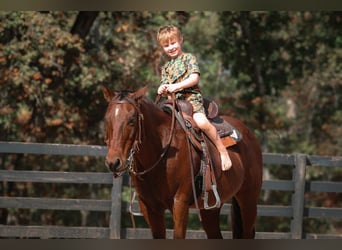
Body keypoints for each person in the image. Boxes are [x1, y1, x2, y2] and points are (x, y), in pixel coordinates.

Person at [156, 25, 232, 171]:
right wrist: (162, 88)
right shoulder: (166, 67)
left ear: (181, 40)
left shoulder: (188, 58)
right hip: (174, 103)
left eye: (173, 43)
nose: (171, 47)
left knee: (201, 122)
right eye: (166, 45)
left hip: (191, 100)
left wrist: (177, 86)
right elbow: (165, 83)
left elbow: (194, 78)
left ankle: (222, 150)